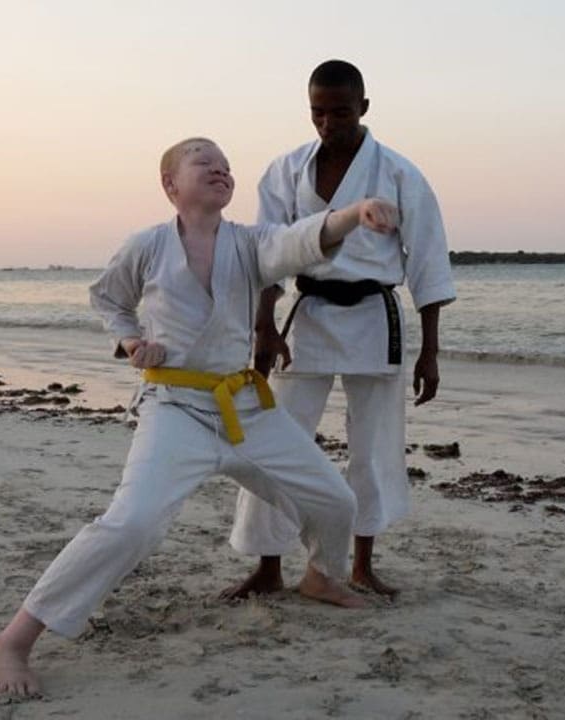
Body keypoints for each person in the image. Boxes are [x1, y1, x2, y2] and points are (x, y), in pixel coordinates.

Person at [0, 137, 399, 697]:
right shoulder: (147, 245)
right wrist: (132, 341)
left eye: (226, 166)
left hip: (244, 407)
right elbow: (108, 299)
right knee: (133, 522)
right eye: (204, 161)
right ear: (170, 184)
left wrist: (354, 212)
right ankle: (13, 641)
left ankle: (321, 576)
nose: (220, 170)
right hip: (175, 406)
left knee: (335, 499)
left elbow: (300, 241)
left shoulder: (250, 243)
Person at [224, 60, 455, 600]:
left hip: (375, 316)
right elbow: (268, 253)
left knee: (374, 449)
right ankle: (268, 566)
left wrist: (431, 352)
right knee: (278, 440)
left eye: (341, 112)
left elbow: (427, 262)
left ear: (364, 108)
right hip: (308, 314)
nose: (328, 123)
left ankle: (360, 565)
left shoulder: (399, 173)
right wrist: (263, 326)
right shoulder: (285, 171)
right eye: (318, 113)